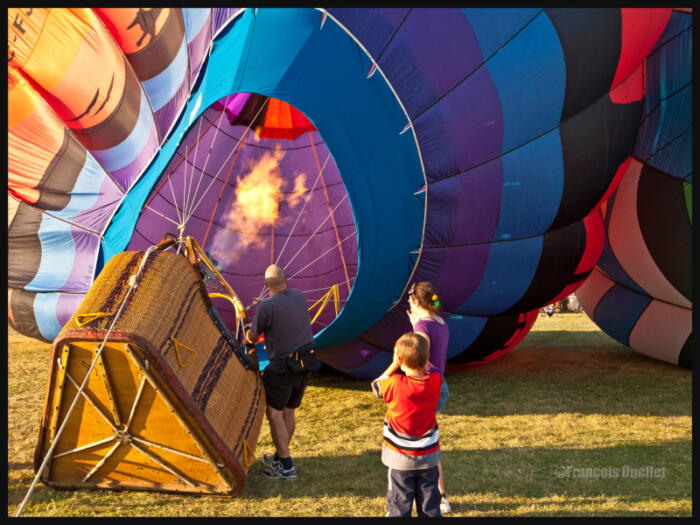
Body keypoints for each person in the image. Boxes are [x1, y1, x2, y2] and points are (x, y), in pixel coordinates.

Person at [244, 264, 315, 480]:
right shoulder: (300, 296)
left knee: (274, 414)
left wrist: (247, 332)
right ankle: (279, 457)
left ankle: (286, 466)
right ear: (287, 279)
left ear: (265, 284)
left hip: (282, 367)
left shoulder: (266, 307)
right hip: (306, 363)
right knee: (288, 412)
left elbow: (253, 338)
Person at [371, 332, 443, 517]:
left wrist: (394, 365)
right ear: (427, 358)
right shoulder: (435, 381)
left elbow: (376, 385)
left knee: (399, 507)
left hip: (400, 460)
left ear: (400, 359)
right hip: (428, 458)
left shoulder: (394, 383)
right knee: (430, 507)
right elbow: (429, 376)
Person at [406, 281, 452, 514]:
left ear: (416, 301)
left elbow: (418, 360)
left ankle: (440, 497)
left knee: (426, 446)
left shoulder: (422, 325)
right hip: (440, 385)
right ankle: (433, 493)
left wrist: (415, 326)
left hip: (427, 388)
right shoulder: (440, 321)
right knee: (426, 441)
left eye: (410, 300)